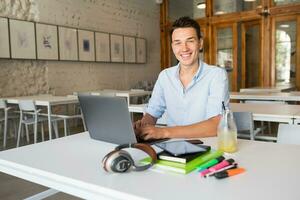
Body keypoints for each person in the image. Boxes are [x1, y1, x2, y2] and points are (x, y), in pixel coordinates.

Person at [134, 16, 229, 140]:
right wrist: (142, 127)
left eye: (190, 41)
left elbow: (216, 125)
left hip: (206, 146)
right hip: (172, 147)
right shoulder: (165, 76)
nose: (184, 48)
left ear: (200, 43)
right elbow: (152, 114)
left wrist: (163, 132)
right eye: (178, 42)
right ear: (172, 46)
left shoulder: (216, 75)